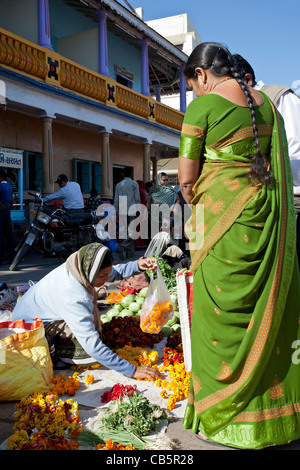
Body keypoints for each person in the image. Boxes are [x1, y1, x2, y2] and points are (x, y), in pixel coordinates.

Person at [178, 41, 300, 449]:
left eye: (193, 84)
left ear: (200, 74)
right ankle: (270, 415)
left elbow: (185, 180)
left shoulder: (202, 107)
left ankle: (222, 413)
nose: (195, 92)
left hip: (221, 223)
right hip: (264, 217)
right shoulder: (266, 104)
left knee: (218, 316)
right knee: (266, 307)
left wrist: (206, 206)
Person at [12, 242, 161, 381]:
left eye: (106, 275)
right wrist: (131, 370)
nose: (107, 279)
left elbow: (113, 272)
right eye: (102, 276)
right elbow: (92, 345)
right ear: (90, 271)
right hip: (28, 328)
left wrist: (138, 265)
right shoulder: (74, 296)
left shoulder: (79, 267)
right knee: (86, 354)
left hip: (37, 312)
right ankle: (56, 352)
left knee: (93, 328)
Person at [232, 53, 300, 266]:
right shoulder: (243, 109)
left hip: (293, 198)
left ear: (248, 80)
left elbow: (295, 149)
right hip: (269, 200)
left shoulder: (279, 96)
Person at [114, 168, 140, 259]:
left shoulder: (118, 185)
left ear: (123, 174)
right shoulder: (134, 184)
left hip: (122, 209)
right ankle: (126, 247)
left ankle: (128, 249)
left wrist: (116, 212)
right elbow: (137, 198)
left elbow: (116, 200)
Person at [0, 169, 15, 265]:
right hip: (7, 210)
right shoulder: (9, 186)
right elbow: (12, 201)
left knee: (0, 235)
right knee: (9, 235)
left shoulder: (0, 186)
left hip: (1, 211)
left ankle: (0, 258)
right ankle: (12, 256)